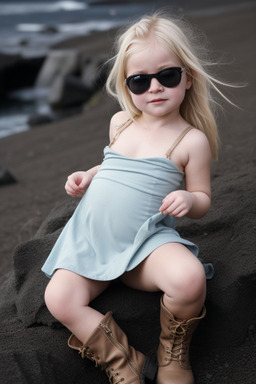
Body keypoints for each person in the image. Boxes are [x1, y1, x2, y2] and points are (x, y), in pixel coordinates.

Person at [42, 12, 229, 384]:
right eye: (140, 81)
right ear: (127, 88)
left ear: (188, 77)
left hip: (146, 245)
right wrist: (88, 175)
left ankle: (173, 355)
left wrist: (188, 201)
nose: (154, 88)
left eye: (168, 76)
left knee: (190, 279)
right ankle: (122, 360)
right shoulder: (121, 122)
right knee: (59, 298)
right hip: (93, 240)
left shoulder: (190, 140)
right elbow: (114, 165)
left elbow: (202, 196)